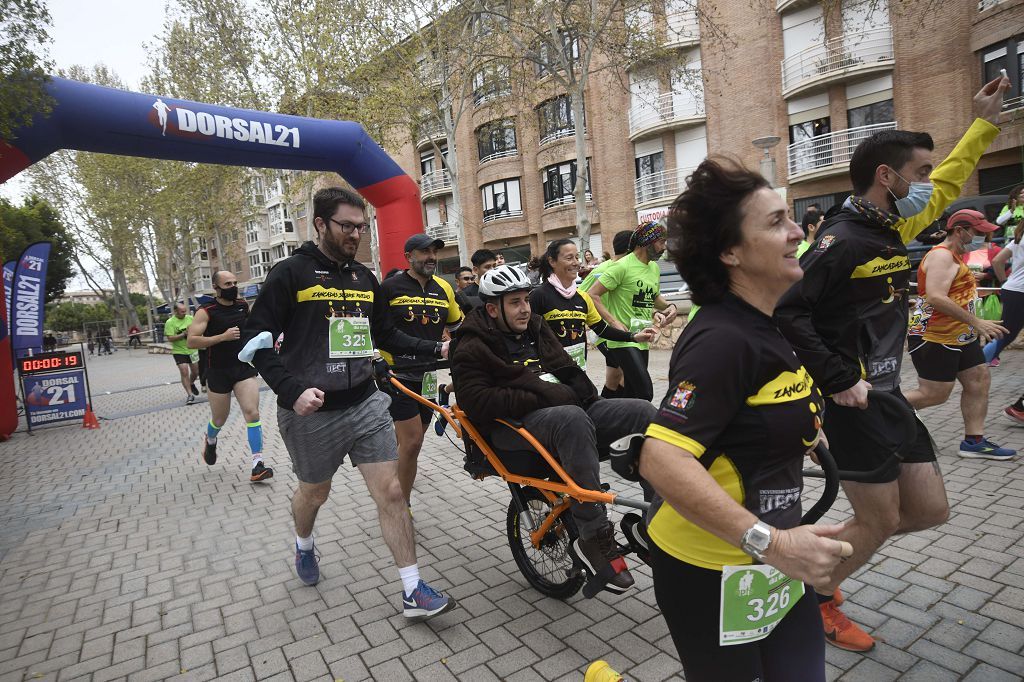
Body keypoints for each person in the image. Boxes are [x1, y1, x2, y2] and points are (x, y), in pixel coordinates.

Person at [774, 74, 1009, 651]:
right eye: (918, 172)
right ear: (888, 177)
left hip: (889, 397)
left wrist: (982, 124)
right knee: (878, 521)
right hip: (851, 403)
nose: (925, 184)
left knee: (929, 510)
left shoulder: (889, 225)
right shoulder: (841, 238)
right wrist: (839, 378)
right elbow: (789, 311)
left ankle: (807, 554)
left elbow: (947, 187)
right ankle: (817, 597)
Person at [639, 158, 848, 681]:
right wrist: (772, 543)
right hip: (710, 570)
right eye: (776, 221)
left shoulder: (765, 321)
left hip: (774, 567)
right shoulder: (723, 338)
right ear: (730, 252)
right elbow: (660, 458)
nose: (798, 230)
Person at [243, 187, 455, 620]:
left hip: (365, 403)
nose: (356, 234)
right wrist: (290, 389)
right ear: (320, 224)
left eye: (361, 226)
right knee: (315, 493)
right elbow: (256, 341)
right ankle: (304, 544)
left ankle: (413, 590)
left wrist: (437, 350)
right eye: (347, 226)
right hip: (311, 411)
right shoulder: (290, 273)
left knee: (393, 493)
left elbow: (386, 335)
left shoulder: (364, 278)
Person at [451, 265, 656, 594]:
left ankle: (655, 522)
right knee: (570, 419)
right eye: (515, 302)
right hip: (514, 428)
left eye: (526, 300)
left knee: (644, 412)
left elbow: (564, 366)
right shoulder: (471, 343)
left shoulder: (535, 326)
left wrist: (580, 392)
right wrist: (539, 393)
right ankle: (593, 536)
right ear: (492, 309)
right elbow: (476, 401)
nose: (525, 308)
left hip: (568, 410)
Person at [904, 210, 1014, 460]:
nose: (983, 237)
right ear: (960, 230)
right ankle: (877, 412)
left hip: (960, 335)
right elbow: (934, 296)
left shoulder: (955, 256)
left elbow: (949, 288)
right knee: (935, 394)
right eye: (978, 232)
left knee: (979, 378)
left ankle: (973, 442)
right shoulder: (942, 256)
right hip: (933, 334)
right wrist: (978, 322)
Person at [380, 233, 463, 507]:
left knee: (412, 441)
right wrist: (434, 348)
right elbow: (383, 333)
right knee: (413, 442)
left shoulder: (444, 288)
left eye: (433, 252)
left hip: (427, 376)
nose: (431, 257)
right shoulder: (390, 288)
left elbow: (457, 326)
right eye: (424, 252)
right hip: (397, 374)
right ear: (408, 256)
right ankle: (400, 505)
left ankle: (388, 467)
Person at [188, 271, 273, 482]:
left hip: (242, 367)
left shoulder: (243, 305)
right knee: (219, 418)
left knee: (252, 413)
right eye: (228, 284)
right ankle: (210, 440)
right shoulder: (205, 311)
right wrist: (222, 337)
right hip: (217, 371)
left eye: (235, 282)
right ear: (216, 288)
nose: (233, 286)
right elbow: (192, 341)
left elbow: (254, 327)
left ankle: (257, 464)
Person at [585, 221, 679, 401]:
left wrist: (670, 306)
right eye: (661, 242)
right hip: (623, 340)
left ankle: (615, 425)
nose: (664, 247)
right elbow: (592, 295)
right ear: (647, 242)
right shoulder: (622, 266)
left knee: (631, 393)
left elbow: (652, 297)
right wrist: (613, 322)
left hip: (643, 337)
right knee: (645, 392)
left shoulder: (653, 268)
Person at [529, 238, 654, 370]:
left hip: (577, 371)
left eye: (577, 257)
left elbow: (602, 329)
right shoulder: (538, 296)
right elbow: (527, 336)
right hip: (550, 373)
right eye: (569, 258)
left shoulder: (582, 297)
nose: (576, 263)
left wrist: (634, 337)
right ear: (552, 261)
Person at [580, 230, 634, 398]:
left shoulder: (627, 268)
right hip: (606, 332)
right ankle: (619, 410)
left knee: (615, 376)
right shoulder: (604, 268)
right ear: (631, 248)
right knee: (628, 372)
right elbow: (583, 294)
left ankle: (607, 410)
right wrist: (599, 321)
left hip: (620, 331)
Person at [986, 214, 1024, 366]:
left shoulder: (1018, 239)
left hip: (1012, 289)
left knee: (1006, 332)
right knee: (1006, 333)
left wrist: (1004, 281)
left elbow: (997, 261)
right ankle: (980, 362)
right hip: (1019, 291)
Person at [165, 303, 200, 404]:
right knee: (184, 371)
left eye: (185, 311)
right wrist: (183, 334)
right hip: (179, 351)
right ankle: (190, 395)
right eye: (182, 311)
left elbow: (197, 330)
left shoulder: (190, 318)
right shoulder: (170, 322)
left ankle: (191, 383)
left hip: (192, 349)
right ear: (175, 311)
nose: (184, 313)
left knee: (195, 372)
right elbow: (170, 338)